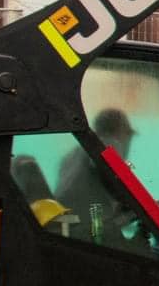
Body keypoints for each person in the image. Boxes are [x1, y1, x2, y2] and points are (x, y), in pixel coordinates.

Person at [57, 107, 142, 249]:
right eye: (129, 135)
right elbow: (124, 189)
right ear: (121, 132)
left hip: (66, 226)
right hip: (84, 234)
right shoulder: (109, 145)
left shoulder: (72, 156)